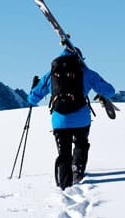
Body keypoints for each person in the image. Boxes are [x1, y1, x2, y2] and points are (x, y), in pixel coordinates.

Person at [27, 48, 116, 189]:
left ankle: (64, 185)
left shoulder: (51, 74)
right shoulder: (86, 73)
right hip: (81, 119)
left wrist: (33, 89)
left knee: (64, 153)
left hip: (60, 120)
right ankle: (77, 171)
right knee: (81, 143)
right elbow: (110, 91)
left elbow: (32, 98)